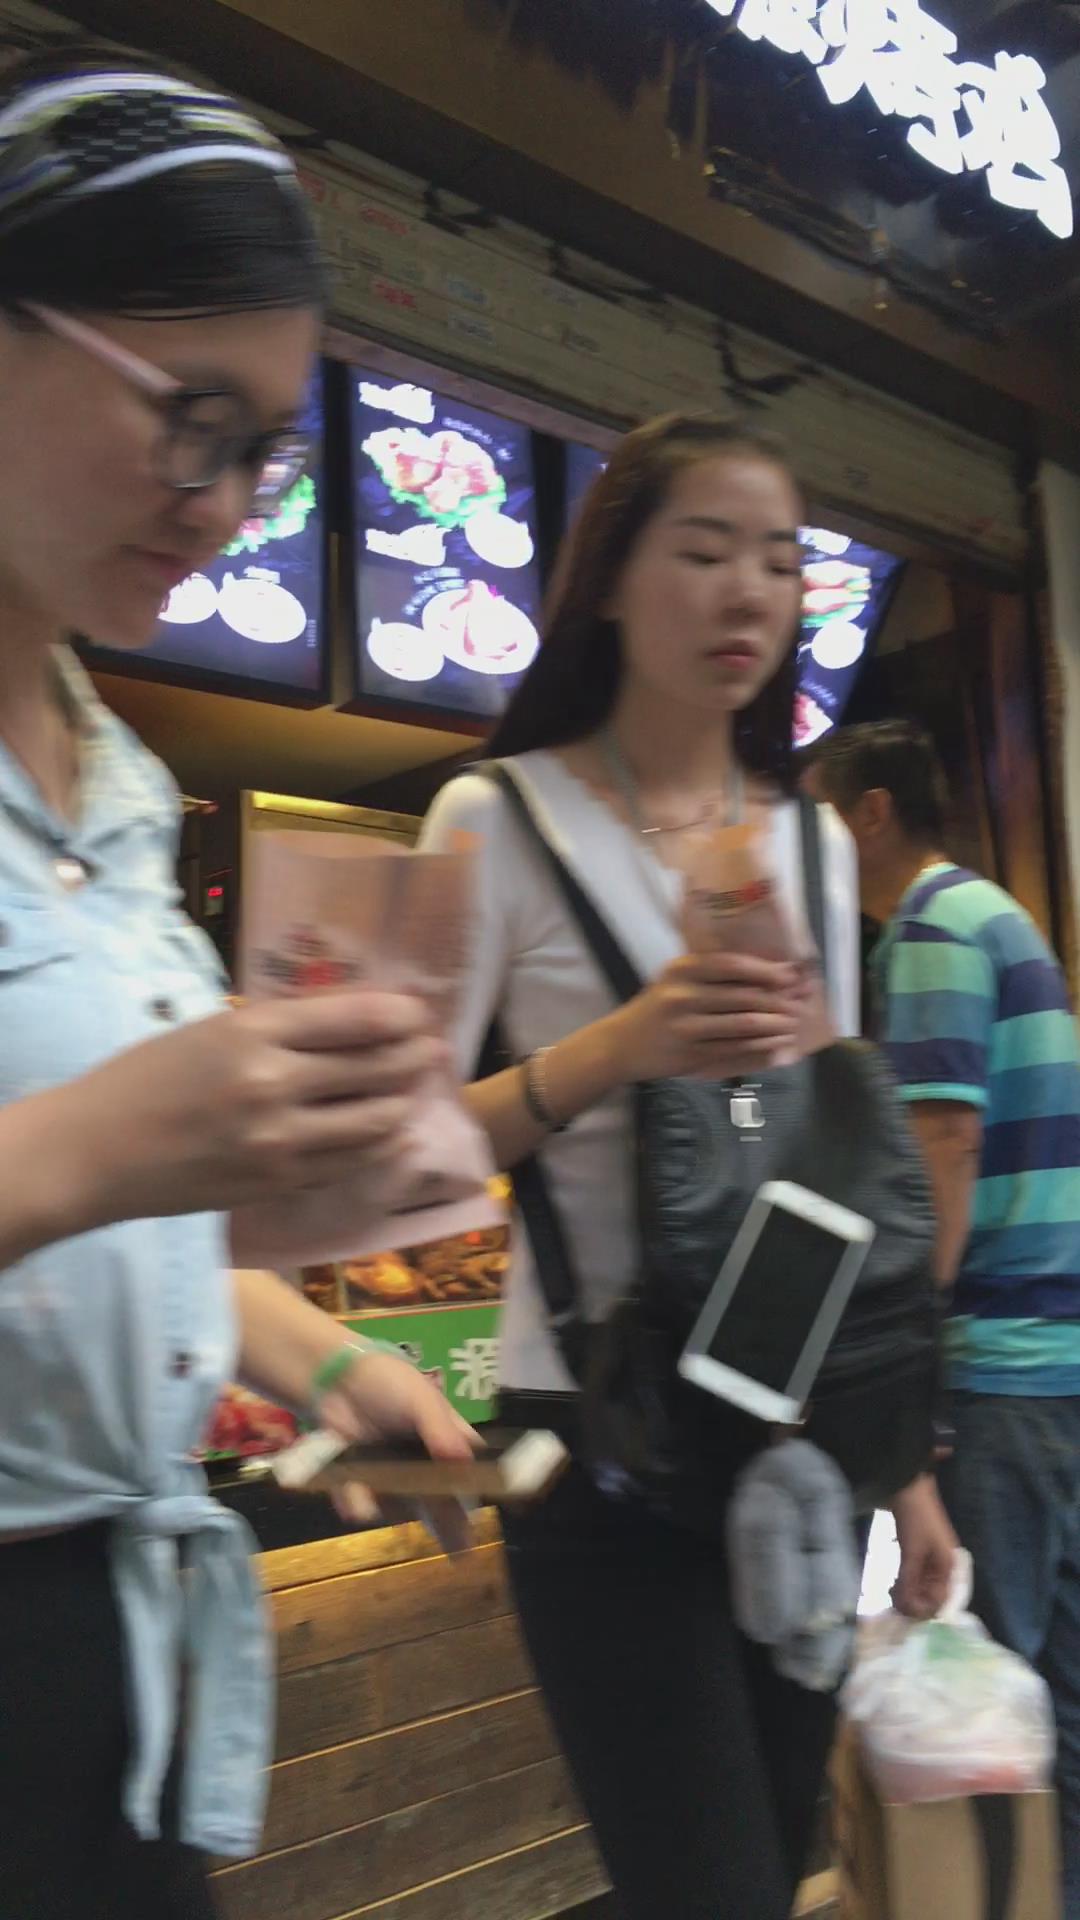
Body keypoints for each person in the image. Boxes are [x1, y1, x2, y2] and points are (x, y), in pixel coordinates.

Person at [0, 45, 474, 1920]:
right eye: (189, 417)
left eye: (263, 452)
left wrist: (331, 1359)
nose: (221, 505)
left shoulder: (119, 785)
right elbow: (89, 1171)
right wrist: (100, 1143)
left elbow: (128, 1238)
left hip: (110, 1668)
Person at [420, 417, 956, 1919]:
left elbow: (837, 1166)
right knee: (702, 1884)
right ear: (607, 580)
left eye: (779, 561)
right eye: (704, 550)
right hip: (598, 1433)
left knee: (781, 1857)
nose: (747, 593)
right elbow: (408, 1148)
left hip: (794, 1430)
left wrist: (904, 1464)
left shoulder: (809, 846)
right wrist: (619, 1047)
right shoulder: (493, 819)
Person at [810, 717, 1080, 1917]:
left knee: (989, 1723)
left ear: (871, 813)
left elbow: (945, 1145)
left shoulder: (929, 929)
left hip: (999, 1365)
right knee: (1053, 1707)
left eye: (819, 814)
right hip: (1057, 1356)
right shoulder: (997, 915)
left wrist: (903, 1346)